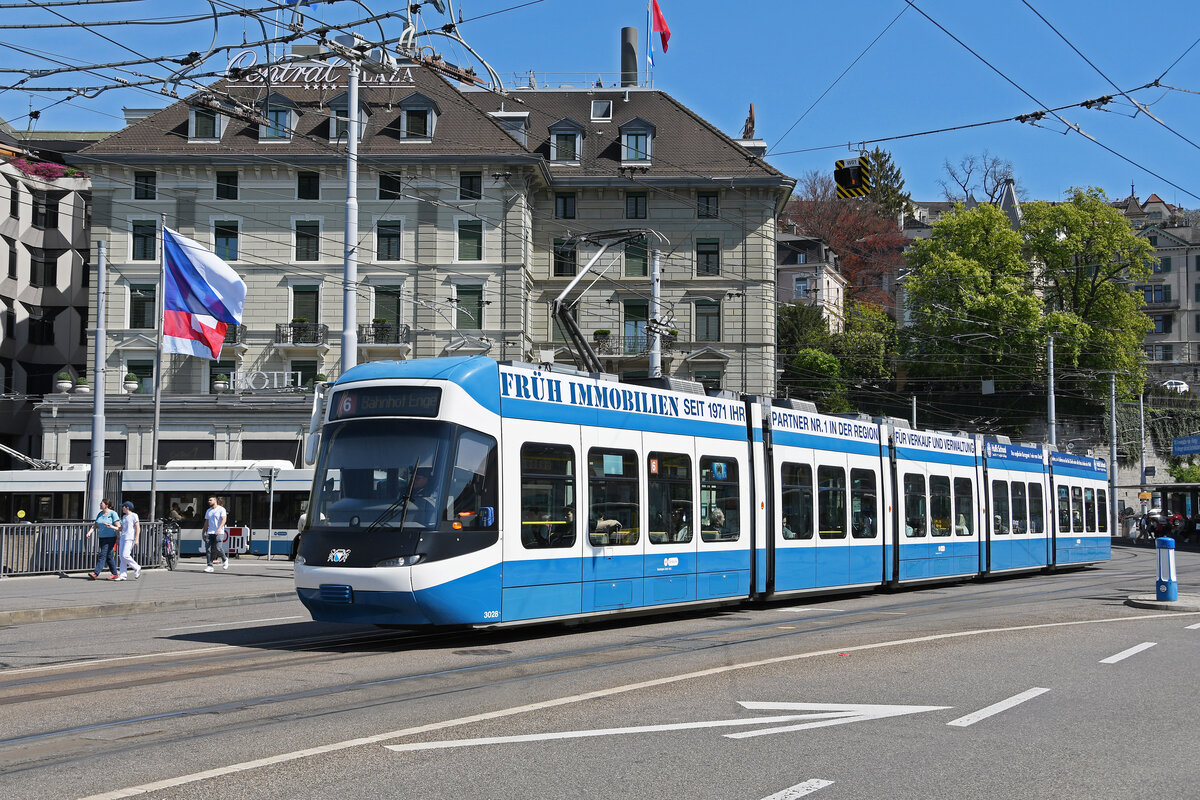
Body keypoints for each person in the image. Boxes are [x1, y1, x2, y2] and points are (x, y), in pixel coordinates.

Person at [86, 498, 121, 580]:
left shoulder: (113, 513)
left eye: (101, 503)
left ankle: (96, 573)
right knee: (109, 556)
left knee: (102, 555)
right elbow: (95, 525)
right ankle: (115, 574)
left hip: (110, 538)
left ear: (106, 505)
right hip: (102, 537)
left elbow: (118, 527)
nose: (100, 505)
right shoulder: (100, 514)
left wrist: (118, 538)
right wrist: (89, 532)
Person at [203, 494, 229, 573]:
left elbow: (224, 520)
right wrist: (203, 531)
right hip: (209, 532)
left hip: (219, 532)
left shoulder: (221, 509)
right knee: (208, 549)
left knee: (218, 548)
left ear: (215, 500)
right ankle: (210, 565)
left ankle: (225, 559)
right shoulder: (208, 511)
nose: (209, 502)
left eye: (211, 500)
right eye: (209, 500)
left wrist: (219, 528)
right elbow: (206, 522)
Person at [116, 500, 141, 581]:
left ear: (127, 507)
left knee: (125, 555)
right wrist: (111, 527)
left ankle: (136, 567)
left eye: (123, 507)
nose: (122, 508)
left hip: (130, 538)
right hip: (123, 537)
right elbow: (121, 528)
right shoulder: (124, 517)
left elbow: (137, 527)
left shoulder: (134, 515)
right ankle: (123, 575)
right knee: (122, 557)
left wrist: (136, 539)